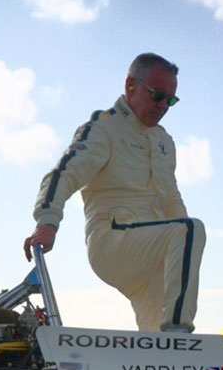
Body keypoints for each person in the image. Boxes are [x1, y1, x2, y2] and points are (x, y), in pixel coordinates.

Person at [23, 53, 205, 333]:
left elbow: (171, 199)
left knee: (157, 338)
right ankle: (180, 333)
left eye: (170, 100)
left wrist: (184, 246)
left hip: (154, 249)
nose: (163, 106)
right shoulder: (103, 128)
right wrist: (47, 222)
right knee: (190, 230)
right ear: (130, 85)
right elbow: (63, 174)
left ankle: (166, 358)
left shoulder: (164, 142)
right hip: (113, 241)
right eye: (157, 95)